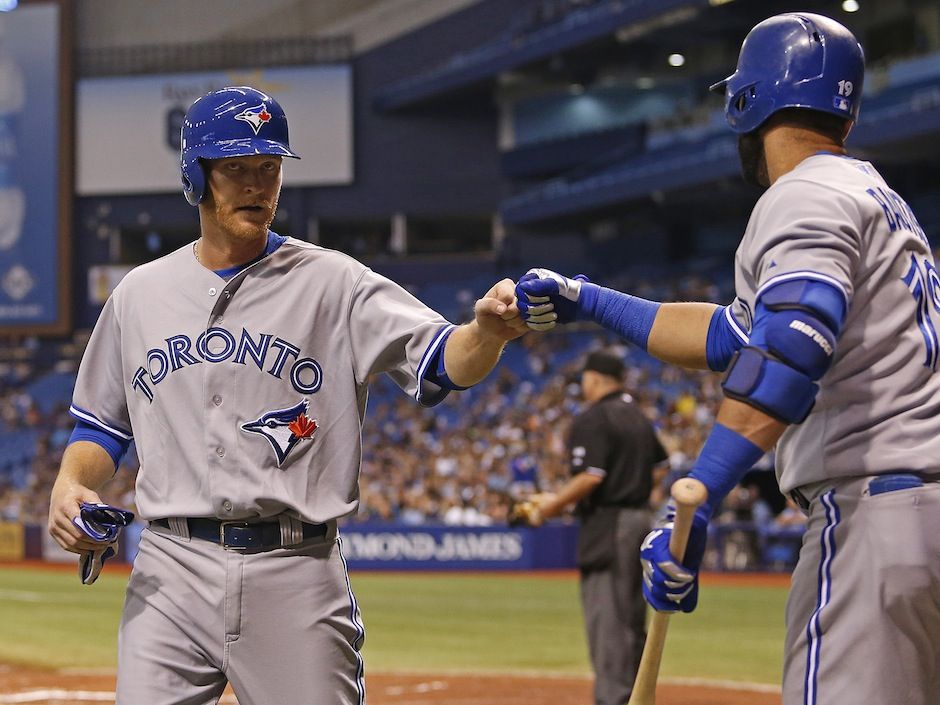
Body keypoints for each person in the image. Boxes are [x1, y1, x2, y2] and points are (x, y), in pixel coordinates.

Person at [47, 86, 527, 705]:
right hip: (169, 567)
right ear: (196, 176)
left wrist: (485, 331)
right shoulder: (139, 294)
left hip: (294, 568)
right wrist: (71, 484)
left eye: (268, 170)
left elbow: (442, 362)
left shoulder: (335, 282)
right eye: (236, 170)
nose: (256, 186)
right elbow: (101, 429)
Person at [515, 13, 940, 705]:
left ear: (746, 102)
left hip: (875, 518)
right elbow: (734, 337)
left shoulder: (804, 192)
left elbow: (787, 352)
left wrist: (703, 494)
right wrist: (589, 299)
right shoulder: (878, 201)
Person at [518, 350, 667, 705]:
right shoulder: (638, 417)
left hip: (610, 524)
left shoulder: (595, 417)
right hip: (640, 520)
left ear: (595, 378)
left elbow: (590, 476)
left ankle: (613, 699)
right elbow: (661, 466)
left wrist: (549, 507)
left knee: (609, 620)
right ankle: (636, 696)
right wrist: (633, 484)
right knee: (631, 618)